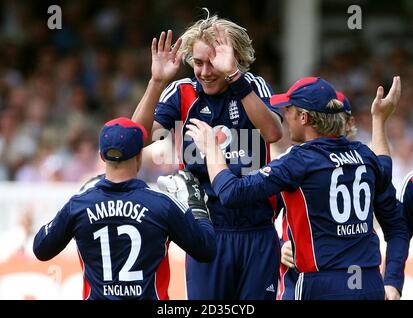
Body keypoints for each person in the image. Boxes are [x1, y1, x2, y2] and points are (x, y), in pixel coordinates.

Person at [186, 76, 410, 300]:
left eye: (288, 110)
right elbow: (397, 225)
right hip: (369, 284)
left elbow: (232, 193)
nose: (284, 116)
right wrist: (392, 281)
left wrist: (212, 150)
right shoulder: (365, 155)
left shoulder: (299, 160)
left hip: (322, 285)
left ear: (304, 117)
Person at [132, 9, 283, 299]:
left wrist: (236, 77)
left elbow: (273, 133)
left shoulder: (253, 85)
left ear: (233, 58)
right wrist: (156, 82)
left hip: (257, 229)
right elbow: (134, 139)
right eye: (198, 63)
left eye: (213, 63)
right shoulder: (182, 92)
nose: (204, 72)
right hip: (206, 232)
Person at [32, 117, 216, 300]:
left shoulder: (79, 205)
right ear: (139, 156)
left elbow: (41, 249)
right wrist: (196, 205)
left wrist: (74, 207)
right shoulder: (162, 205)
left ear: (101, 156)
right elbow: (206, 249)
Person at [278, 79, 407, 300]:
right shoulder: (292, 164)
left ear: (348, 123)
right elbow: (257, 212)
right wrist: (279, 245)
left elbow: (395, 223)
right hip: (300, 280)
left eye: (338, 117)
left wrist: (392, 282)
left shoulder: (366, 163)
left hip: (352, 282)